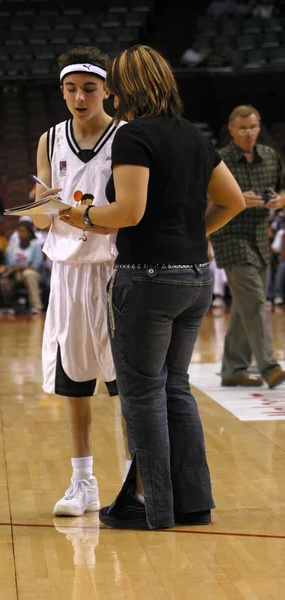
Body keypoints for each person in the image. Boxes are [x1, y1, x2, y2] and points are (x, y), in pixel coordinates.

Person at [62, 44, 246, 530]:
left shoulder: (134, 136)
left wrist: (77, 212)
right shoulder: (194, 135)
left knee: (143, 394)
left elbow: (128, 213)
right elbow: (232, 201)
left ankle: (153, 509)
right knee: (177, 389)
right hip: (196, 278)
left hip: (146, 279)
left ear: (123, 90)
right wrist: (189, 237)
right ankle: (193, 504)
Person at [33, 46, 127, 517]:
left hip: (115, 269)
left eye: (89, 88)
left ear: (107, 90)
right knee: (74, 384)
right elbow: (40, 220)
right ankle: (82, 481)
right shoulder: (50, 139)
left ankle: (136, 479)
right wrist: (42, 202)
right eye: (70, 89)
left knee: (127, 384)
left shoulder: (126, 137)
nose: (79, 97)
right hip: (68, 272)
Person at [210, 105, 285, 389]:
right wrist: (236, 198)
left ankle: (233, 368)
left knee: (244, 307)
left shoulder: (269, 156)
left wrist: (280, 200)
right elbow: (204, 199)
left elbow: (283, 188)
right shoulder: (220, 161)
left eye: (253, 127)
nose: (249, 133)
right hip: (230, 237)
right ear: (231, 130)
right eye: (242, 128)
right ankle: (269, 365)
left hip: (260, 238)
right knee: (254, 300)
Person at [2, 220, 43, 314]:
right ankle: (9, 306)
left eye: (23, 231)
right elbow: (9, 264)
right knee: (4, 279)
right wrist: (12, 270)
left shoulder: (35, 246)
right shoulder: (12, 247)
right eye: (19, 231)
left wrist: (21, 268)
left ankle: (37, 306)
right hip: (15, 273)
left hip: (33, 273)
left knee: (28, 274)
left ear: (29, 233)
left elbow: (36, 265)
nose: (21, 234)